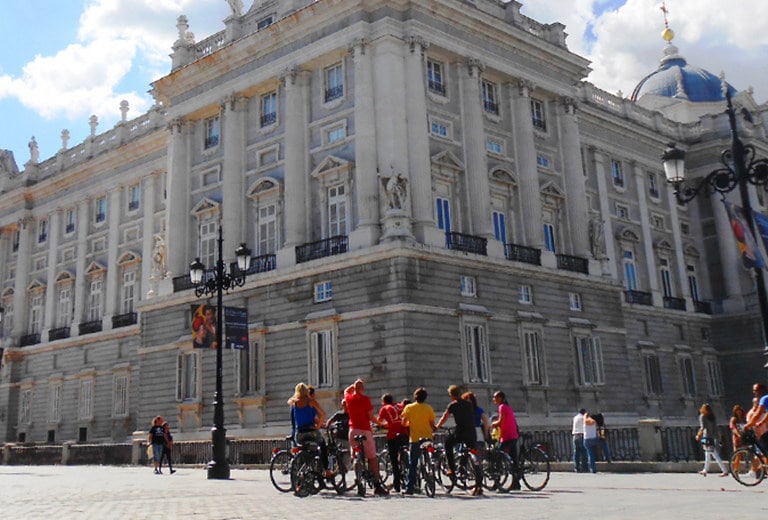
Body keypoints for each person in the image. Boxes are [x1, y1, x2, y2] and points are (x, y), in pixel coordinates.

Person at [344, 378, 388, 496]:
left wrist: (354, 386)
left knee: (356, 455)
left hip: (353, 431)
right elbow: (370, 416)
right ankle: (377, 486)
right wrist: (380, 424)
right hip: (365, 430)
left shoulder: (348, 398)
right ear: (362, 389)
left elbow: (346, 391)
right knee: (372, 458)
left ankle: (358, 479)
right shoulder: (365, 399)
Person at [436, 385, 482, 495]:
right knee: (474, 454)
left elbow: (444, 417)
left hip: (461, 432)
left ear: (452, 395)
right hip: (471, 432)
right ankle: (479, 485)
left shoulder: (453, 405)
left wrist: (437, 426)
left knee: (448, 444)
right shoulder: (469, 404)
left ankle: (451, 468)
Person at [288, 382, 331, 477]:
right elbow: (323, 414)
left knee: (305, 451)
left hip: (299, 434)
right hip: (311, 432)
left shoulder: (294, 403)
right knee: (322, 444)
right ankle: (326, 470)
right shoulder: (311, 402)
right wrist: (318, 426)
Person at [401, 387, 436, 495]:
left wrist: (409, 424)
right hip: (428, 437)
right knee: (428, 456)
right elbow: (432, 423)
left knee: (413, 463)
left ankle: (410, 487)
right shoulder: (429, 408)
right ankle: (430, 469)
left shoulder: (409, 407)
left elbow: (403, 423)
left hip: (415, 439)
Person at [378, 393, 408, 492]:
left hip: (393, 436)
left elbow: (379, 422)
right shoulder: (400, 406)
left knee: (394, 461)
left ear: (383, 401)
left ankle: (397, 485)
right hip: (405, 434)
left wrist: (382, 426)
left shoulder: (384, 408)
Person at [491, 390, 520, 490]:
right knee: (513, 459)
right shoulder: (508, 407)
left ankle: (497, 483)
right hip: (514, 436)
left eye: (495, 397)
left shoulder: (502, 407)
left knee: (497, 458)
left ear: (501, 398)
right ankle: (516, 483)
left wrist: (494, 424)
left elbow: (501, 421)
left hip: (507, 437)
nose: (494, 399)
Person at [695, 403, 728, 477]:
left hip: (707, 437)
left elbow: (702, 427)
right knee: (707, 454)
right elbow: (716, 428)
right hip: (713, 437)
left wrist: (698, 435)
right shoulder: (712, 417)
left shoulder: (702, 416)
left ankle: (724, 470)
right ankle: (705, 470)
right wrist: (719, 438)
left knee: (713, 454)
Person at [743, 383, 768, 455]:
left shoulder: (764, 399)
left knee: (764, 442)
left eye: (755, 390)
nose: (754, 392)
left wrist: (747, 425)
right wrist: (762, 422)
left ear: (761, 390)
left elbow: (757, 414)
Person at [572, 408, 588, 472]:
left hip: (575, 435)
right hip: (581, 435)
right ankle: (584, 467)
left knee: (576, 453)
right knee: (583, 452)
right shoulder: (583, 418)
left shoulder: (575, 417)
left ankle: (576, 467)